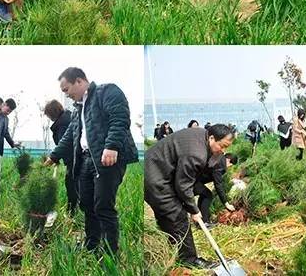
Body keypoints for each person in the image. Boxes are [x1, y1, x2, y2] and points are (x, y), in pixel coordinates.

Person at [44, 67, 139, 258]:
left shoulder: (106, 92)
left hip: (107, 160)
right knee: (87, 204)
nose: (66, 94)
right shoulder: (78, 108)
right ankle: (92, 243)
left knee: (103, 205)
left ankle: (110, 252)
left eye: (66, 89)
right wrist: (54, 156)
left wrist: (111, 146)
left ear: (79, 81)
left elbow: (119, 118)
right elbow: (71, 135)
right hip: (86, 160)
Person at [144, 124, 234, 269]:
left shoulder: (202, 136)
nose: (223, 151)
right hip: (155, 176)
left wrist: (190, 207)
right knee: (178, 216)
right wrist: (194, 210)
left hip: (156, 170)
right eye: (222, 146)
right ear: (211, 138)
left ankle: (171, 248)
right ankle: (189, 259)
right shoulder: (196, 154)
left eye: (226, 148)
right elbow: (183, 184)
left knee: (166, 214)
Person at [44, 99, 79, 214]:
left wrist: (55, 157)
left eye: (48, 114)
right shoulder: (66, 118)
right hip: (74, 157)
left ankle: (72, 213)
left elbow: (65, 143)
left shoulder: (63, 123)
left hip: (75, 158)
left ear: (52, 112)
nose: (49, 117)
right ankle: (74, 210)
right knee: (74, 184)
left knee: (72, 185)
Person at [194, 152, 237, 224]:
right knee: (208, 195)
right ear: (228, 160)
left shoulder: (218, 157)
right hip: (192, 180)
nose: (229, 167)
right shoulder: (220, 164)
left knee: (205, 194)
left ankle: (201, 220)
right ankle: (205, 222)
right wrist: (226, 204)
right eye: (231, 165)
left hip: (194, 178)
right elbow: (218, 185)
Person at [0, 98, 21, 191]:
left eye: (10, 112)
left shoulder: (6, 119)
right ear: (4, 105)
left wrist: (13, 143)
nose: (8, 113)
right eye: (7, 110)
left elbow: (6, 133)